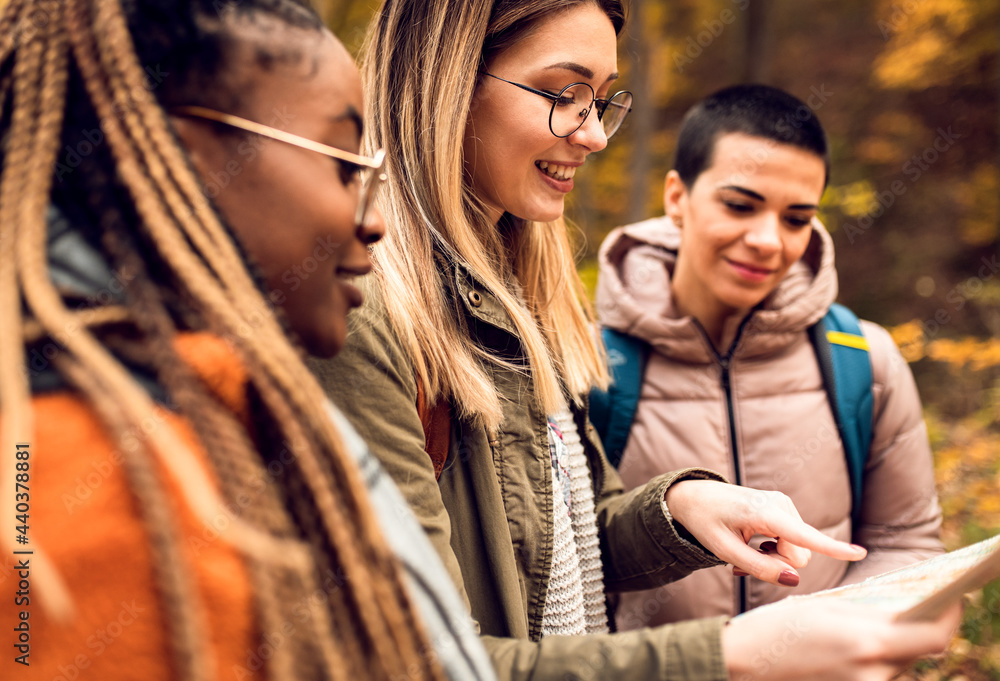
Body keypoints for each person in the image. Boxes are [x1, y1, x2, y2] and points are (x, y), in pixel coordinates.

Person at [309, 2, 959, 680]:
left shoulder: (525, 296)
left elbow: (568, 537)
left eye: (600, 99)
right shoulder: (358, 308)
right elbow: (423, 661)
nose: (593, 135)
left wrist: (682, 508)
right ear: (449, 82)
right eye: (565, 94)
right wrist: (731, 654)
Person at [0, 0, 497, 679]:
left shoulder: (218, 409)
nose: (375, 220)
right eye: (346, 166)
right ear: (182, 153)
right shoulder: (95, 488)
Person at [593, 84, 944, 630]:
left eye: (797, 218)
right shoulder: (583, 360)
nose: (768, 241)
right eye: (740, 205)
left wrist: (830, 646)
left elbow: (907, 542)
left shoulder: (862, 360)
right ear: (677, 198)